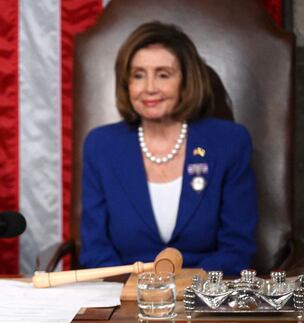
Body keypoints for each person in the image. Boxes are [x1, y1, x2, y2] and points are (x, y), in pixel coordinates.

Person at [80, 21, 256, 275]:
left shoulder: (229, 142)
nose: (149, 88)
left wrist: (183, 286)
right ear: (126, 83)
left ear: (185, 82)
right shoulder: (101, 146)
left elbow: (237, 248)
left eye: (163, 74)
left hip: (205, 296)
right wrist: (141, 291)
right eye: (138, 75)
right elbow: (95, 250)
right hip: (124, 296)